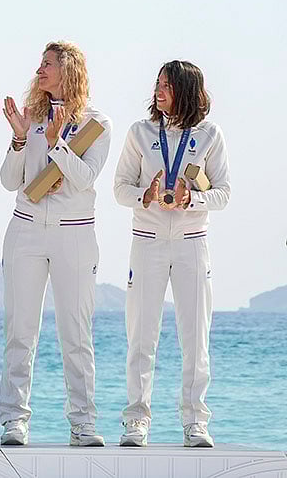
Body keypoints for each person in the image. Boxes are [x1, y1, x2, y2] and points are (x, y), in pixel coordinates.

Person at [0, 41, 112, 447]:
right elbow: (11, 181)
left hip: (75, 234)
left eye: (47, 64)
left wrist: (57, 142)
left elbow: (84, 178)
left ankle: (83, 425)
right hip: (26, 230)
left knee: (76, 333)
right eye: (40, 63)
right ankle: (14, 421)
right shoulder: (33, 118)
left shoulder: (97, 123)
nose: (39, 69)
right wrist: (19, 138)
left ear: (68, 70)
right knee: (20, 329)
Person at [114, 60, 230, 448]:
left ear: (186, 89)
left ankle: (195, 422)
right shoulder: (139, 133)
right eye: (157, 83)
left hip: (191, 244)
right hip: (146, 240)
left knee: (195, 338)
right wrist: (144, 195)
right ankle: (136, 421)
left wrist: (191, 198)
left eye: (166, 84)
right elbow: (119, 188)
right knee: (141, 335)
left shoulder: (210, 134)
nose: (158, 90)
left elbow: (223, 193)